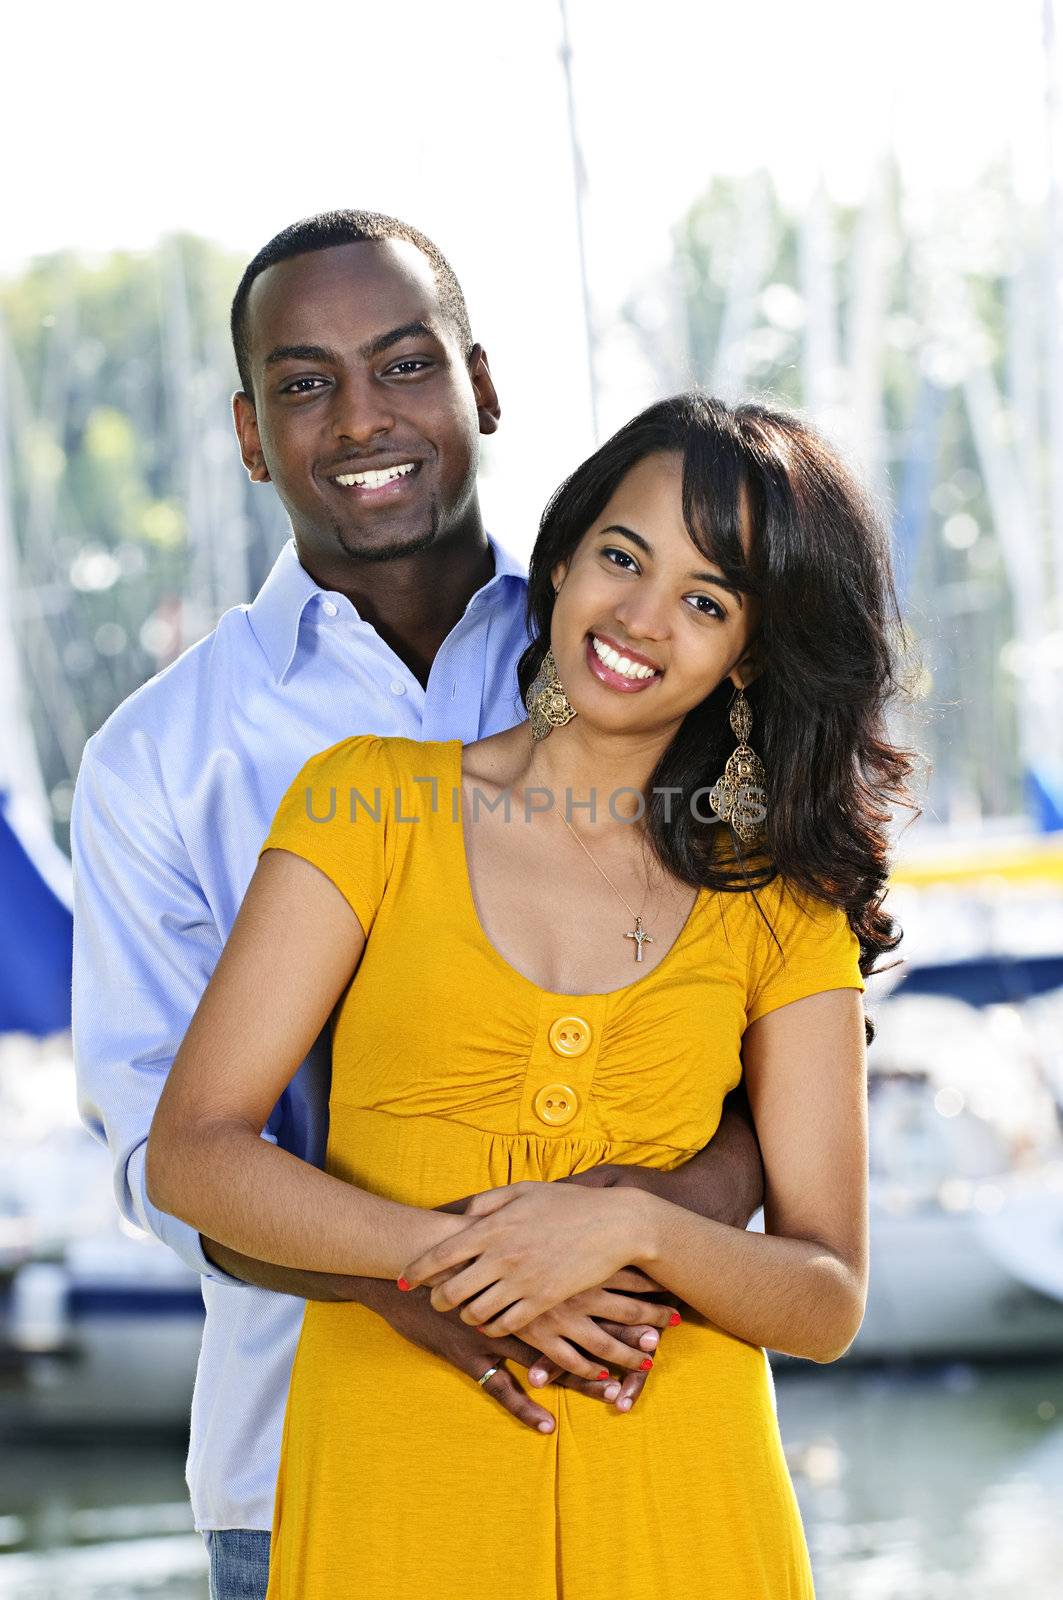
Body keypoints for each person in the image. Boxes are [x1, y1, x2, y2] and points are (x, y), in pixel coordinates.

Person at [71, 213, 765, 1600]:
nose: (360, 418)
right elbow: (165, 1151)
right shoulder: (155, 759)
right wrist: (416, 1280)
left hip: (644, 1430)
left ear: (483, 387)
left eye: (402, 365)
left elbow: (788, 1060)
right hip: (301, 1470)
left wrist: (639, 1221)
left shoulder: (648, 663)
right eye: (305, 381)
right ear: (251, 433)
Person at [145, 391, 915, 1596]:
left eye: (705, 600)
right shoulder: (368, 802)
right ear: (559, 559)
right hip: (396, 1499)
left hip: (685, 1518)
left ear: (748, 655)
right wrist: (455, 1255)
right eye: (623, 556)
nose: (641, 617)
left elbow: (826, 1297)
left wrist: (633, 1228)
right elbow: (191, 1154)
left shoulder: (781, 900)